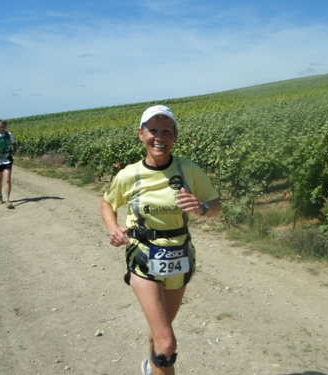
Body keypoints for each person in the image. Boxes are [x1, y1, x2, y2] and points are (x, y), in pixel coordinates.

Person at [100, 105, 221, 375]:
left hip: (180, 256)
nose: (159, 136)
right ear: (141, 134)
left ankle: (150, 363)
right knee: (167, 343)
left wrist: (201, 207)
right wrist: (113, 229)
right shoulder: (129, 174)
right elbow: (107, 204)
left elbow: (216, 207)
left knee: (160, 332)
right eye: (152, 130)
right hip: (143, 256)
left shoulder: (188, 170)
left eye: (166, 130)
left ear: (175, 136)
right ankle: (158, 360)